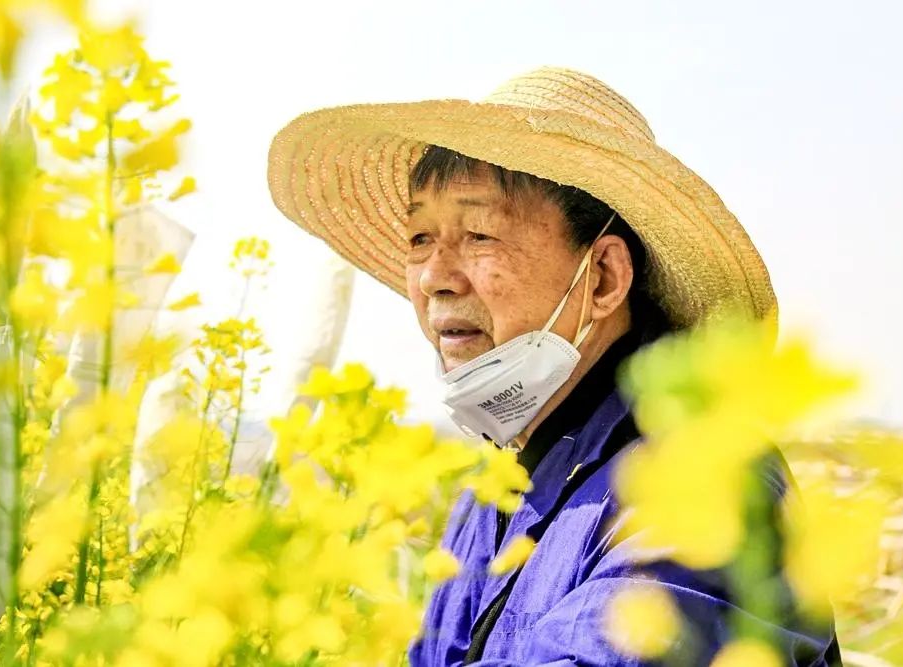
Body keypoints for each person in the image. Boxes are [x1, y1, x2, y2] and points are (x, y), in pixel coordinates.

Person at [267, 67, 842, 666]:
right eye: (419, 239)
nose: (434, 277)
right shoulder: (493, 487)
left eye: (480, 234)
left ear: (603, 279)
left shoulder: (704, 479)